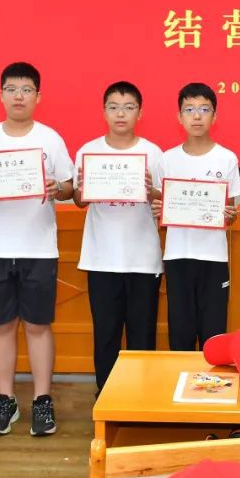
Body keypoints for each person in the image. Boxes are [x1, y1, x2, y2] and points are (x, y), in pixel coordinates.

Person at [0, 62, 74, 435]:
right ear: (0, 95)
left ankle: (42, 400)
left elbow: (69, 186)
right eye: (11, 89)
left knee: (39, 326)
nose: (19, 96)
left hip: (38, 248)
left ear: (38, 96)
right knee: (1, 326)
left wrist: (58, 189)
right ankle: (5, 400)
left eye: (26, 89)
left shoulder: (50, 139)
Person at [72, 81, 163, 395]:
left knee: (142, 335)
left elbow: (166, 200)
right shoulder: (88, 151)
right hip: (102, 259)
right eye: (113, 107)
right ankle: (107, 396)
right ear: (104, 112)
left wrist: (151, 191)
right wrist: (82, 189)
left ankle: (141, 398)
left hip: (143, 260)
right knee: (106, 334)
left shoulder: (153, 153)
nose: (120, 114)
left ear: (140, 112)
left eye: (128, 107)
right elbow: (78, 199)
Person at [151, 83, 240, 351]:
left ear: (215, 116)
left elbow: (230, 214)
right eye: (189, 109)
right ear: (179, 117)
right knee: (181, 332)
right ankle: (182, 379)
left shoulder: (227, 158)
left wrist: (229, 215)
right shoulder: (167, 159)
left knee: (214, 334)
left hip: (214, 258)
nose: (197, 116)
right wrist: (159, 210)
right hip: (177, 256)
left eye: (204, 109)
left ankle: (212, 379)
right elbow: (160, 203)